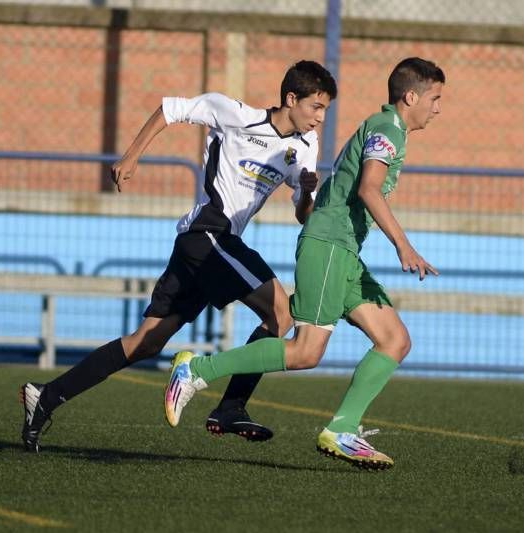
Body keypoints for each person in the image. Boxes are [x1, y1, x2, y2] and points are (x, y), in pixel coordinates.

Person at [20, 60, 338, 453]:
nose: (320, 118)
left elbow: (301, 215)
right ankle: (231, 406)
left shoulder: (305, 147)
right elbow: (171, 109)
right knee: (282, 314)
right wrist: (131, 156)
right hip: (208, 234)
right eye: (316, 107)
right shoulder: (235, 114)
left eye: (324, 110)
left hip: (206, 247)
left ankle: (46, 397)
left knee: (147, 342)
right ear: (292, 99)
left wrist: (307, 193)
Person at [165, 57, 445, 470]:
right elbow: (369, 189)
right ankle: (196, 369)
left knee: (394, 340)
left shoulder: (390, 130)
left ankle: (343, 429)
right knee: (305, 351)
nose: (438, 108)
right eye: (435, 98)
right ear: (411, 96)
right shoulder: (387, 129)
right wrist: (404, 246)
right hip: (329, 247)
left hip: (344, 253)